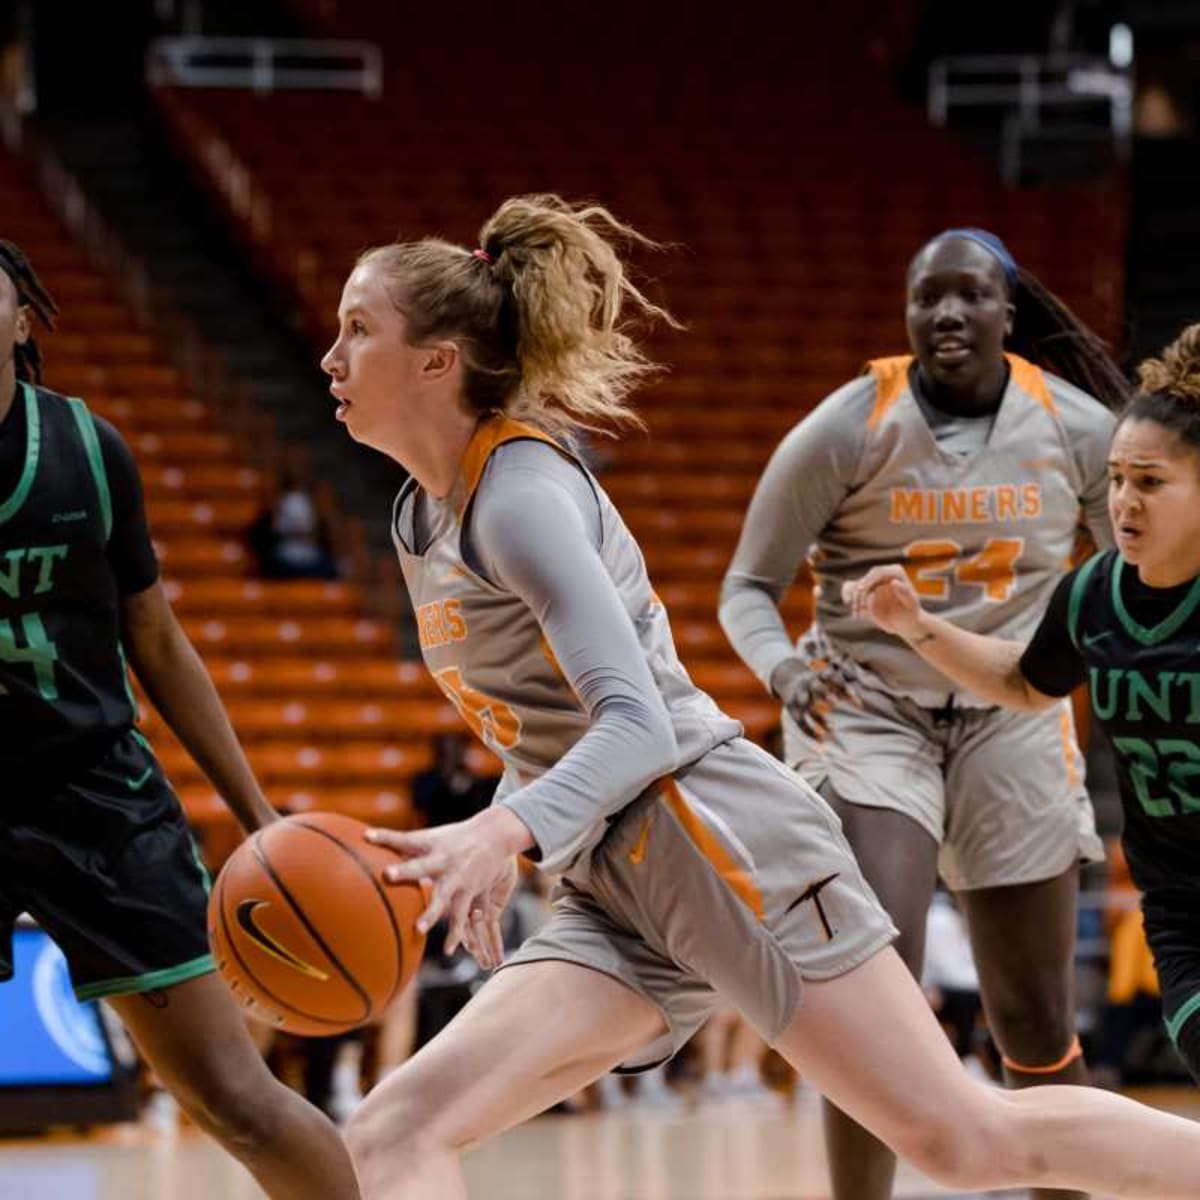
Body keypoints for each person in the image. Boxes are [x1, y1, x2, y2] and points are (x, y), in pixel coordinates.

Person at [314, 195, 1200, 1200]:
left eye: (358, 329)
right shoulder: (419, 514)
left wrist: (498, 833)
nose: (331, 356)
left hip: (715, 836)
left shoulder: (517, 496)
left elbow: (638, 723)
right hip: (615, 878)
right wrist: (523, 834)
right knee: (392, 1132)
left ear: (439, 361)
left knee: (965, 1141)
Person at [719, 227, 1130, 1200]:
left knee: (1032, 1014)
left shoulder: (1076, 428)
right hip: (866, 708)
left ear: (1008, 312)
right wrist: (780, 668)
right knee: (878, 985)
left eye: (970, 296)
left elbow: (1128, 578)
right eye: (926, 297)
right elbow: (747, 586)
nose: (946, 313)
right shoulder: (847, 425)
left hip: (1012, 706)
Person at [0, 240, 360, 1199]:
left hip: (96, 798)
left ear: (22, 318)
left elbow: (155, 639)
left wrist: (258, 814)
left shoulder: (87, 450)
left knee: (235, 1098)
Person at [844, 322, 1200, 1089]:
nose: (1124, 502)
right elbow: (1025, 681)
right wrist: (917, 625)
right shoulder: (1094, 594)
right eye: (1115, 479)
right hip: (1183, 910)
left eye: (1151, 482)